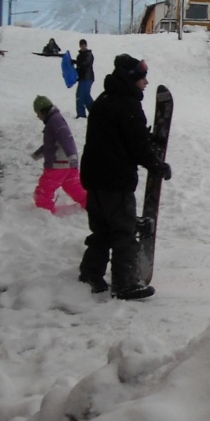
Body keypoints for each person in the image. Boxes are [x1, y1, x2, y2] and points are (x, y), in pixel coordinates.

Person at [78, 54, 171, 299]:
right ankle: (124, 283)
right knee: (123, 231)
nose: (146, 83)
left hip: (95, 178)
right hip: (115, 180)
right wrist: (156, 165)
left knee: (102, 230)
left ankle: (91, 272)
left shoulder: (104, 99)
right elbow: (136, 145)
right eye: (142, 78)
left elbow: (118, 138)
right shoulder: (127, 105)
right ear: (132, 79)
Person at [31, 95, 88, 213]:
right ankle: (90, 203)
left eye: (38, 113)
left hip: (58, 164)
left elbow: (66, 138)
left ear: (43, 111)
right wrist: (37, 154)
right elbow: (51, 144)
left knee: (45, 188)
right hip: (67, 164)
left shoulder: (55, 121)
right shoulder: (55, 120)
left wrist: (71, 156)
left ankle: (43, 211)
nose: (38, 117)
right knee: (73, 187)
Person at [74, 39, 95, 119]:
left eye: (84, 45)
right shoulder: (79, 56)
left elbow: (86, 64)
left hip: (87, 77)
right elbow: (79, 67)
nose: (82, 46)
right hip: (83, 78)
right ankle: (95, 112)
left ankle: (81, 115)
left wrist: (77, 63)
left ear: (86, 45)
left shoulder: (89, 54)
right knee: (86, 96)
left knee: (80, 95)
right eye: (81, 45)